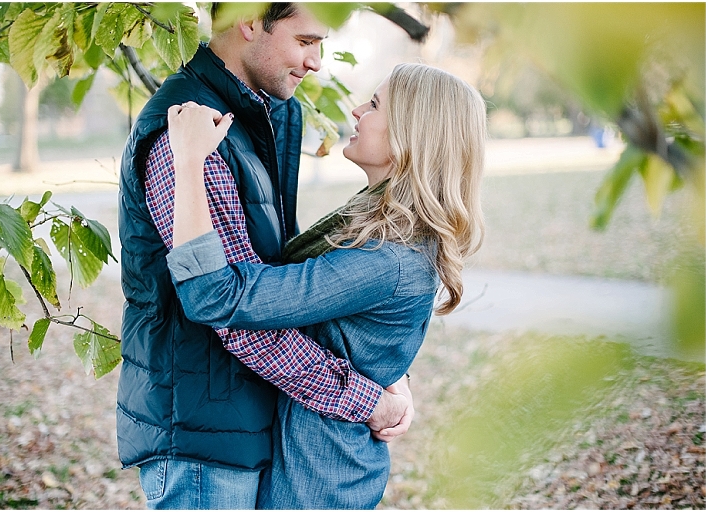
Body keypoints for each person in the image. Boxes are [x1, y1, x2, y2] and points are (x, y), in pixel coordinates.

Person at [116, 3, 411, 509]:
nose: (316, 61)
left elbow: (290, 284)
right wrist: (368, 400)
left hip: (253, 417)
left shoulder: (270, 115)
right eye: (305, 42)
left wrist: (392, 368)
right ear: (249, 19)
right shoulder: (189, 132)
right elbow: (231, 306)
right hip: (203, 438)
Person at [165, 63, 487, 508]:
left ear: (410, 136)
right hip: (316, 462)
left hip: (317, 479)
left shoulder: (388, 258)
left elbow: (220, 296)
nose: (356, 111)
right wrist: (391, 379)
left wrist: (187, 161)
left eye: (374, 105)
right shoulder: (380, 228)